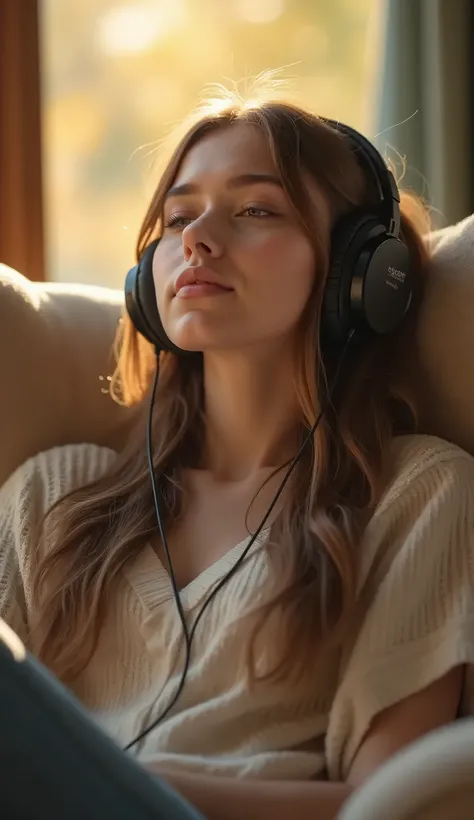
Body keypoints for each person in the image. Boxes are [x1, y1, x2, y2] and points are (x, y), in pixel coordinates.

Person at [1, 86, 474, 820]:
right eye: (179, 216)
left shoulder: (417, 493)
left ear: (363, 273)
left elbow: (394, 803)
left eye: (255, 210)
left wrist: (121, 787)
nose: (197, 239)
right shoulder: (48, 498)